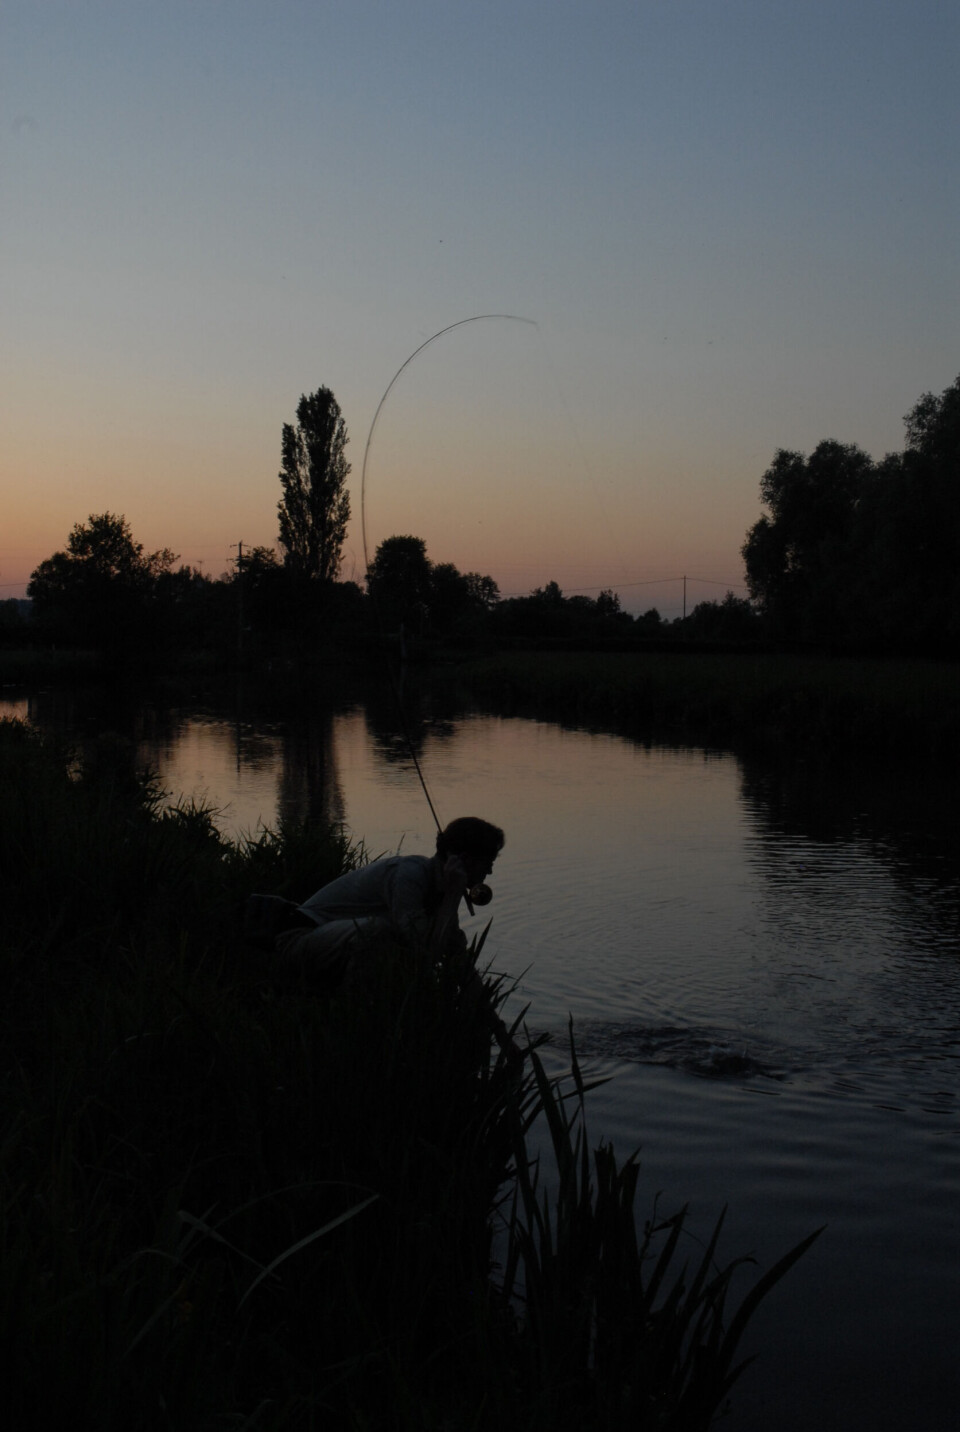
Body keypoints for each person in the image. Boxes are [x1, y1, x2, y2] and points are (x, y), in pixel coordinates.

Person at [274, 817, 521, 1063]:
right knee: (380, 931)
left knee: (390, 943)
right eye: (488, 862)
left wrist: (503, 1037)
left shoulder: (440, 894)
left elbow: (462, 968)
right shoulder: (409, 876)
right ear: (465, 860)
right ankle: (353, 1031)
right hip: (296, 942)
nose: (489, 871)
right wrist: (455, 894)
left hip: (332, 950)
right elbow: (426, 953)